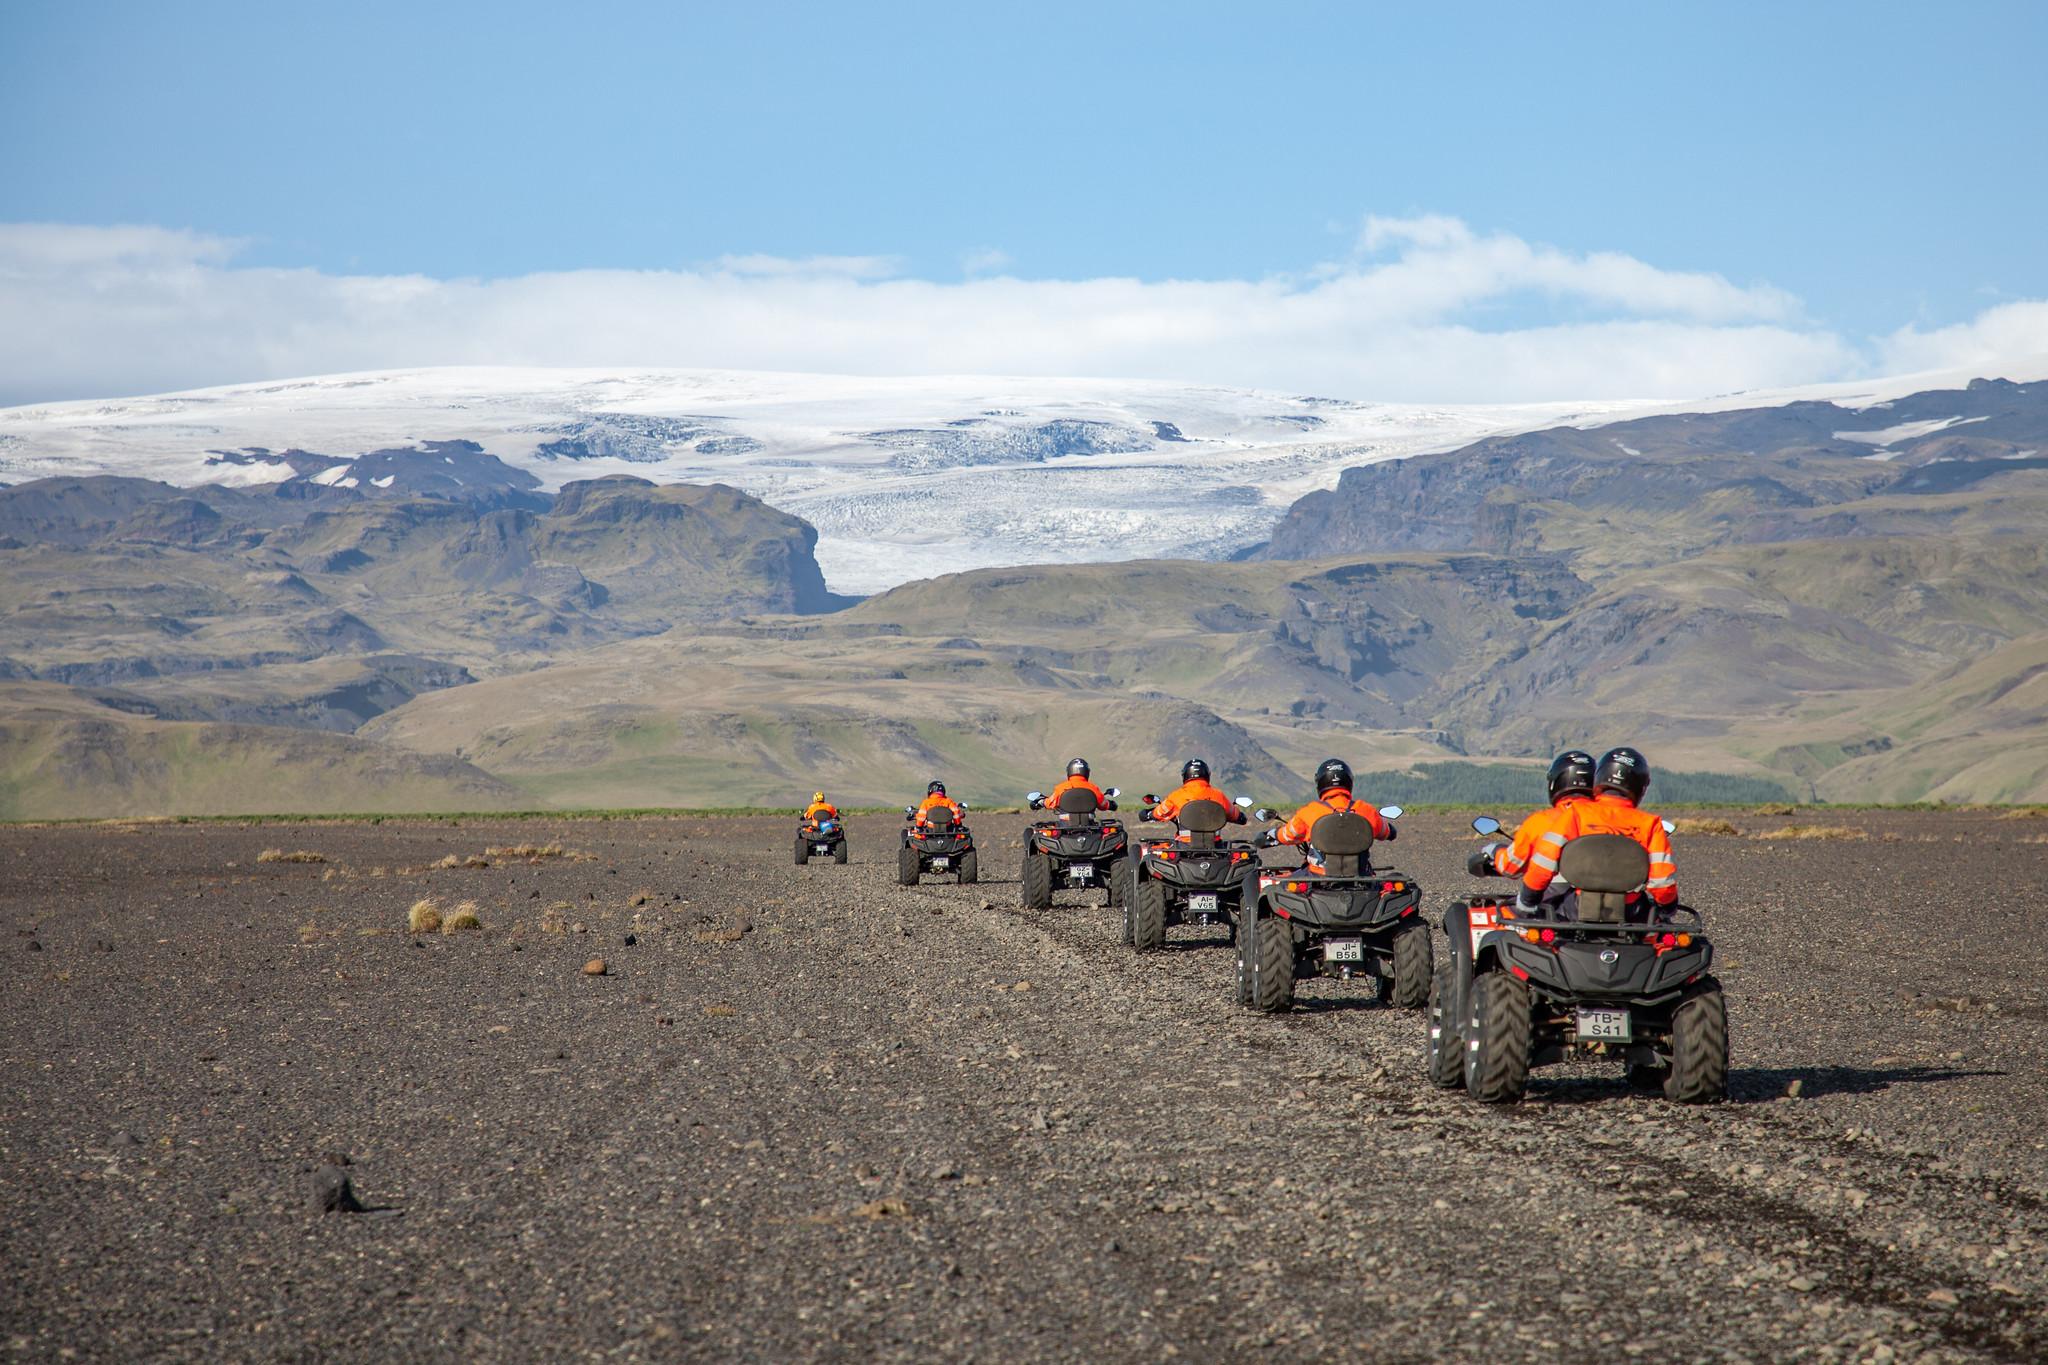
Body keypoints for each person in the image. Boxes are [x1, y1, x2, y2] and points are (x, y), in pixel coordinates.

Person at [1482, 750, 1596, 906]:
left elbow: (1511, 866)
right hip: (1618, 907)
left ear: (1556, 782)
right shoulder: (1612, 821)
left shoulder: (1542, 821)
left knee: (1483, 914)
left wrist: (1494, 851)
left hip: (1555, 901)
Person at [1576, 746, 1678, 911]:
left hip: (1578, 906)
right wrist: (1669, 906)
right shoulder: (1650, 824)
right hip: (1630, 910)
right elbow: (1661, 882)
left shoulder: (1575, 815)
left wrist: (1530, 898)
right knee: (1657, 927)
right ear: (1641, 786)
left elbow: (1549, 858)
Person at [1269, 758, 1392, 870]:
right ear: (1349, 781)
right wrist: (1390, 831)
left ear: (1320, 783)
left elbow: (1288, 835)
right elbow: (1386, 832)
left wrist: (1271, 835)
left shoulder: (1309, 811)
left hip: (1319, 876)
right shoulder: (1366, 810)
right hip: (1360, 876)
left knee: (1280, 884)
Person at [1145, 758, 1247, 839]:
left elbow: (1158, 813)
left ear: (1185, 775)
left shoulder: (1176, 796)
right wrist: (1240, 817)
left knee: (1149, 852)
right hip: (1215, 847)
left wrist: (1148, 814)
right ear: (1207, 775)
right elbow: (1237, 817)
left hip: (1184, 846)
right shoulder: (1219, 796)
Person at [1044, 758, 1113, 812]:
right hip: (1089, 826)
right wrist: (1110, 804)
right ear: (1087, 772)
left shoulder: (1061, 788)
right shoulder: (1093, 788)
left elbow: (1050, 803)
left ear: (1069, 771)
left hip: (1066, 825)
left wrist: (1041, 801)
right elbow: (1103, 805)